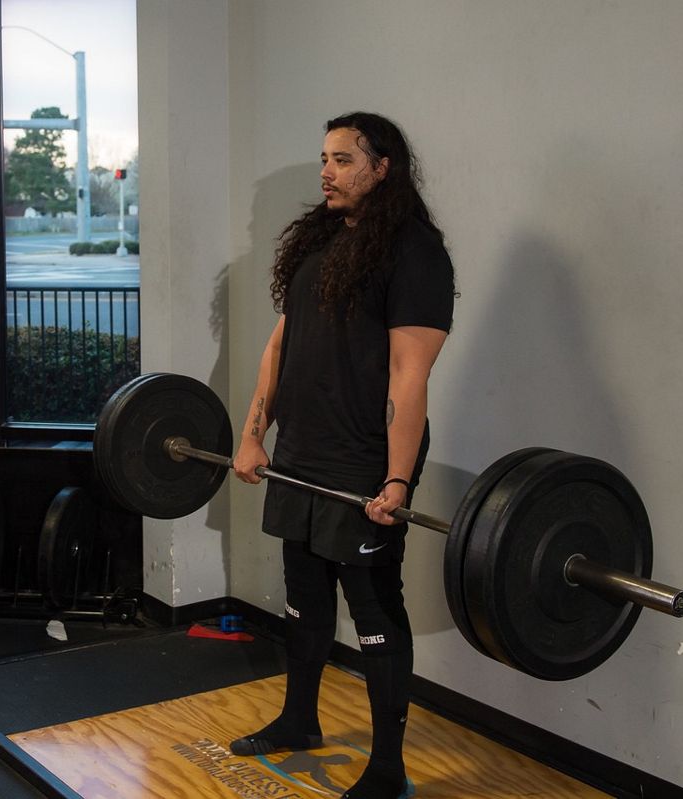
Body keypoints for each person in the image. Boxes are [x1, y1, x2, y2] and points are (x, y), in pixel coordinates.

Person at [229, 112, 455, 799]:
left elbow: (409, 374)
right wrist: (252, 429)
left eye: (343, 159)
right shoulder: (322, 241)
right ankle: (300, 720)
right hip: (302, 449)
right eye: (323, 157)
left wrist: (395, 476)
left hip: (364, 458)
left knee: (375, 607)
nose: (325, 171)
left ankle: (388, 767)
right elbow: (280, 344)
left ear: (383, 167)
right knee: (303, 597)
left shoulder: (414, 251)